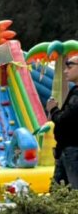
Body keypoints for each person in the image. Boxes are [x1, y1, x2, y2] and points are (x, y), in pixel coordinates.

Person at [46, 56, 78, 187]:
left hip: (73, 150)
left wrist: (53, 109)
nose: (65, 71)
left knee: (72, 191)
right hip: (66, 150)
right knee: (59, 191)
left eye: (69, 67)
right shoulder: (75, 91)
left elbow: (65, 119)